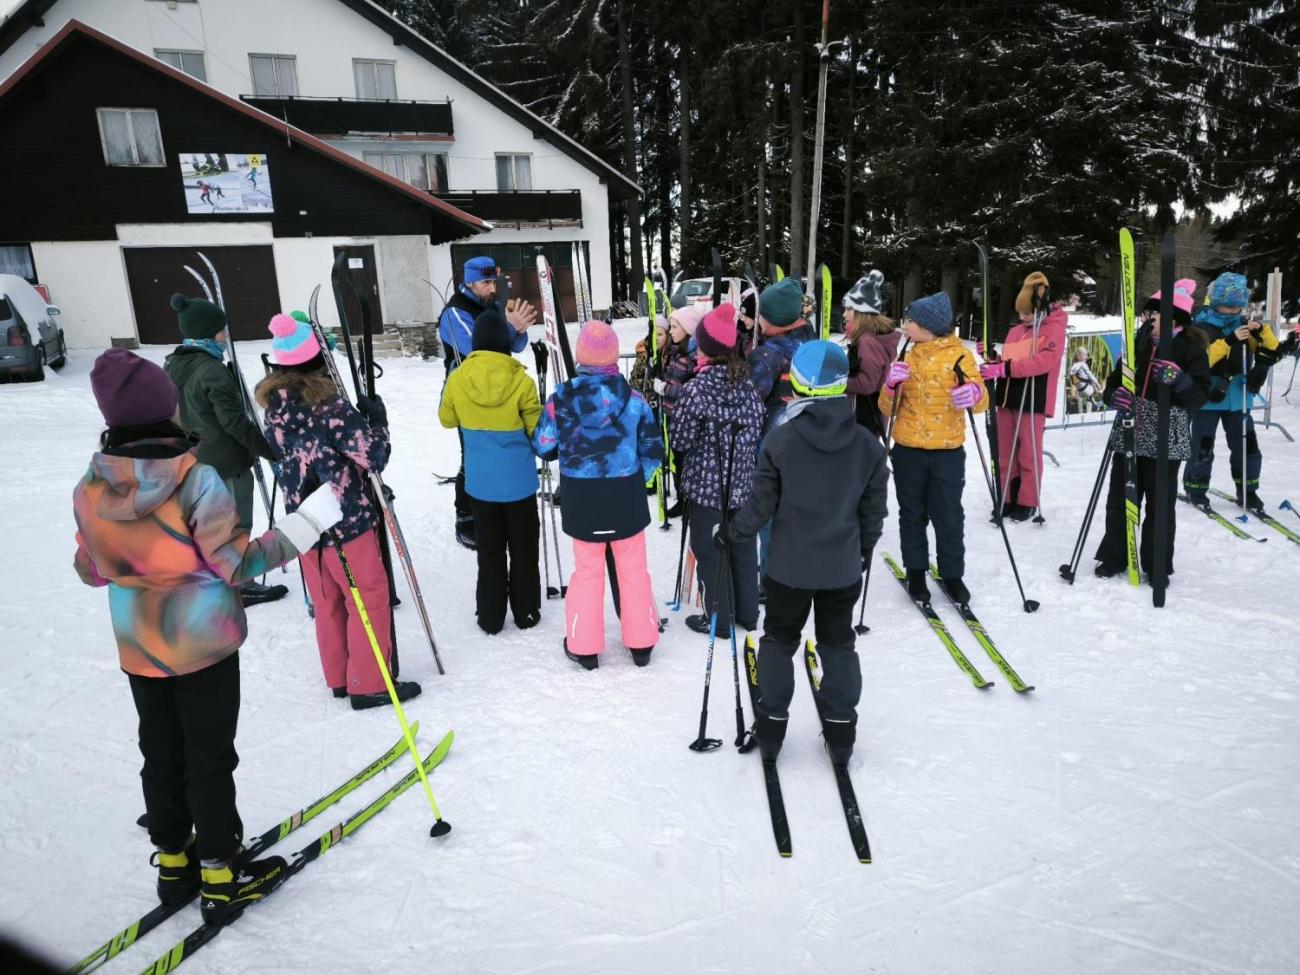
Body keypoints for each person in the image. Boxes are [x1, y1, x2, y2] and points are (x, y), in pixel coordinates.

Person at [74, 349, 342, 926]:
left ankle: (175, 864)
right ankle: (221, 873)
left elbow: (91, 568)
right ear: (164, 409)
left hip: (141, 648)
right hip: (203, 647)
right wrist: (306, 525)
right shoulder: (196, 481)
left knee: (161, 753)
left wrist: (127, 558)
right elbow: (236, 565)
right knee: (209, 757)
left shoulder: (92, 486)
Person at [723, 340, 888, 765]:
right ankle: (841, 732)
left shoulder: (781, 442)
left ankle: (772, 725)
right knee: (837, 646)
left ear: (795, 383)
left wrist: (733, 534)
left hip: (788, 569)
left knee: (779, 641)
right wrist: (862, 551)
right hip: (841, 568)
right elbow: (873, 512)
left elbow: (759, 508)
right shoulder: (867, 444)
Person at [256, 313, 420, 710]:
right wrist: (376, 420)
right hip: (344, 519)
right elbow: (373, 455)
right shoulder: (328, 406)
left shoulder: (273, 409)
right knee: (368, 596)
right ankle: (368, 682)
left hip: (303, 522)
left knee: (327, 598)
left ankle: (339, 674)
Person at [533, 320, 664, 670]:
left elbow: (543, 445)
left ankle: (584, 646)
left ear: (582, 357)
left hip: (582, 498)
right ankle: (642, 643)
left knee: (587, 572)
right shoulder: (634, 401)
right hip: (625, 497)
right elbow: (653, 450)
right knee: (633, 570)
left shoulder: (560, 399)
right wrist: (637, 478)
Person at [164, 293, 288, 606]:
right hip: (225, 464)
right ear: (208, 332)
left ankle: (210, 580)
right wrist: (271, 450)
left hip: (193, 464)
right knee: (234, 527)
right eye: (221, 331)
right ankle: (238, 584)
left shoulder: (174, 364)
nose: (225, 336)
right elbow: (234, 423)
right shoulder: (211, 371)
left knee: (207, 528)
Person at [1095, 280, 1212, 580]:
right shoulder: (1140, 343)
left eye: (1157, 314)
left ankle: (1157, 564)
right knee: (1120, 498)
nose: (1151, 319)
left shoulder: (1191, 349)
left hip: (1165, 435)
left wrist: (1179, 379)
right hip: (1131, 430)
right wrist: (1114, 396)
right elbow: (1114, 381)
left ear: (1176, 319)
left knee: (1159, 505)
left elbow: (1199, 396)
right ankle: (1115, 556)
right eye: (1150, 314)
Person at [878, 291, 988, 603]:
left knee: (949, 514)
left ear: (928, 326)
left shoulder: (959, 357)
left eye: (909, 320)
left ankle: (952, 575)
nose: (904, 326)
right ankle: (915, 572)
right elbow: (888, 406)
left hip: (947, 451)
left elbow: (981, 395)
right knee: (912, 513)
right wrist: (889, 386)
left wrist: (974, 394)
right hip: (908, 449)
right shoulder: (905, 357)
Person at [438, 308, 543, 634]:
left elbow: (447, 419)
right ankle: (526, 611)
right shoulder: (521, 381)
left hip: (481, 485)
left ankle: (490, 616)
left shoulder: (457, 377)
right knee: (524, 549)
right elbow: (537, 430)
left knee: (490, 550)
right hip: (520, 485)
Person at [669, 303, 765, 637]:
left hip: (705, 490)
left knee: (710, 552)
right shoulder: (747, 385)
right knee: (742, 547)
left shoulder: (696, 389)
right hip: (741, 485)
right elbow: (757, 428)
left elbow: (680, 440)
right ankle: (749, 613)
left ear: (706, 347)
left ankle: (720, 618)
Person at [436, 257, 536, 549]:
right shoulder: (454, 313)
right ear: (469, 282)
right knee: (472, 455)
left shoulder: (490, 307)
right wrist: (509, 328)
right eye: (485, 282)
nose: (492, 288)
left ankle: (494, 513)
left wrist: (514, 329)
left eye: (494, 282)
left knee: (500, 451)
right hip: (467, 392)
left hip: (500, 388)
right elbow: (478, 348)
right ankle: (465, 517)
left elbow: (515, 345)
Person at [1183, 271, 1297, 511]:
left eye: (1237, 307)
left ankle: (1248, 490)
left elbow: (1271, 350)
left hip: (1240, 397)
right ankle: (1195, 487)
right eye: (1227, 307)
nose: (1233, 312)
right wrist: (1228, 342)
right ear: (1217, 303)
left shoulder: (1243, 325)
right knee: (1203, 446)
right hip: (1209, 398)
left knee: (1247, 445)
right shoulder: (1200, 327)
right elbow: (1200, 359)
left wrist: (1262, 332)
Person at [977, 271, 1068, 521]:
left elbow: (1043, 362)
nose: (1023, 318)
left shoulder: (1054, 330)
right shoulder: (1017, 331)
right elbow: (1009, 361)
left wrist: (1005, 368)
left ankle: (1027, 500)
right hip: (1008, 396)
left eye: (1027, 313)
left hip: (1033, 399)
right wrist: (993, 359)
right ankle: (1006, 496)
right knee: (1004, 448)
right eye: (1020, 313)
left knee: (1028, 451)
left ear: (1041, 309)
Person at [654, 304, 705, 516]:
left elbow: (690, 391)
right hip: (671, 415)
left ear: (688, 328)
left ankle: (688, 501)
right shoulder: (674, 352)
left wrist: (666, 389)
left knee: (686, 461)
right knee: (676, 459)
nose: (671, 331)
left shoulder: (693, 357)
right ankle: (681, 498)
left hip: (685, 418)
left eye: (675, 327)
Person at [747, 277, 812, 435]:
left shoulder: (767, 356)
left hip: (770, 437)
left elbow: (747, 400)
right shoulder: (810, 342)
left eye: (760, 314)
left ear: (772, 318)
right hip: (803, 433)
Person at [841, 270, 901, 438]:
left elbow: (867, 384)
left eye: (849, 309)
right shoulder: (868, 339)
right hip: (865, 418)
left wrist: (837, 382)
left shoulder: (868, 342)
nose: (844, 314)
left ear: (862, 313)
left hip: (864, 419)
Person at [1069, 347, 1105, 412]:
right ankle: (1104, 395)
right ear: (1079, 356)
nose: (1087, 357)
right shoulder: (1083, 364)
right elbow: (1091, 376)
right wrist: (1098, 384)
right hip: (1086, 389)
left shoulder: (1074, 365)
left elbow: (1072, 378)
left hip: (1080, 392)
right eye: (1085, 355)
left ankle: (1096, 405)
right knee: (1093, 382)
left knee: (1089, 389)